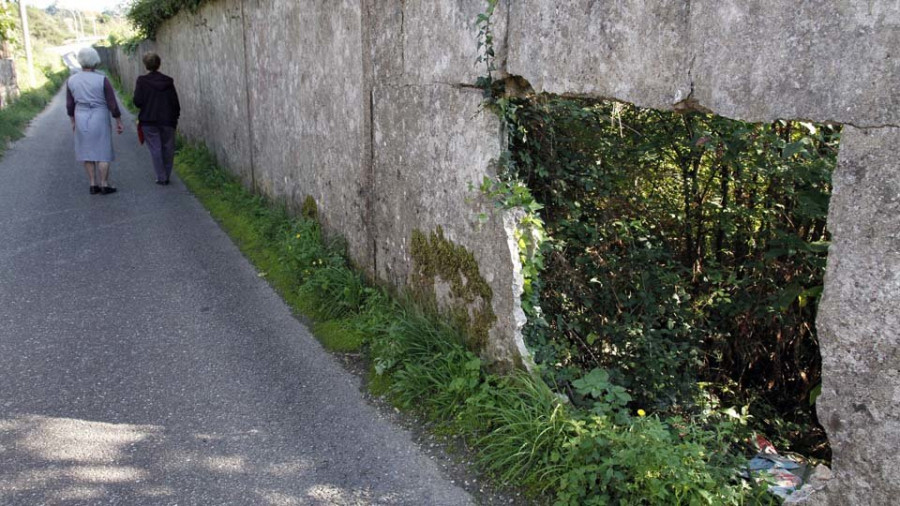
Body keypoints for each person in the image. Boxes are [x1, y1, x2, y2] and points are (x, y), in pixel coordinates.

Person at [66, 47, 124, 195]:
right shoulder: (102, 79)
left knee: (86, 150)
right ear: (95, 61)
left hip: (81, 115)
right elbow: (112, 103)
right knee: (103, 150)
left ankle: (93, 184)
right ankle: (104, 184)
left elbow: (70, 104)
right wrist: (118, 120)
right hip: (99, 115)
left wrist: (73, 120)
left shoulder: (71, 80)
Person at [133, 52, 180, 185]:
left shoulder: (141, 81)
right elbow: (175, 102)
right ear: (159, 64)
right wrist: (176, 117)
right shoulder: (168, 81)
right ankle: (167, 175)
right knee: (168, 148)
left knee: (155, 148)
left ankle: (161, 177)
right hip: (168, 119)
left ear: (146, 66)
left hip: (149, 120)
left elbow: (137, 101)